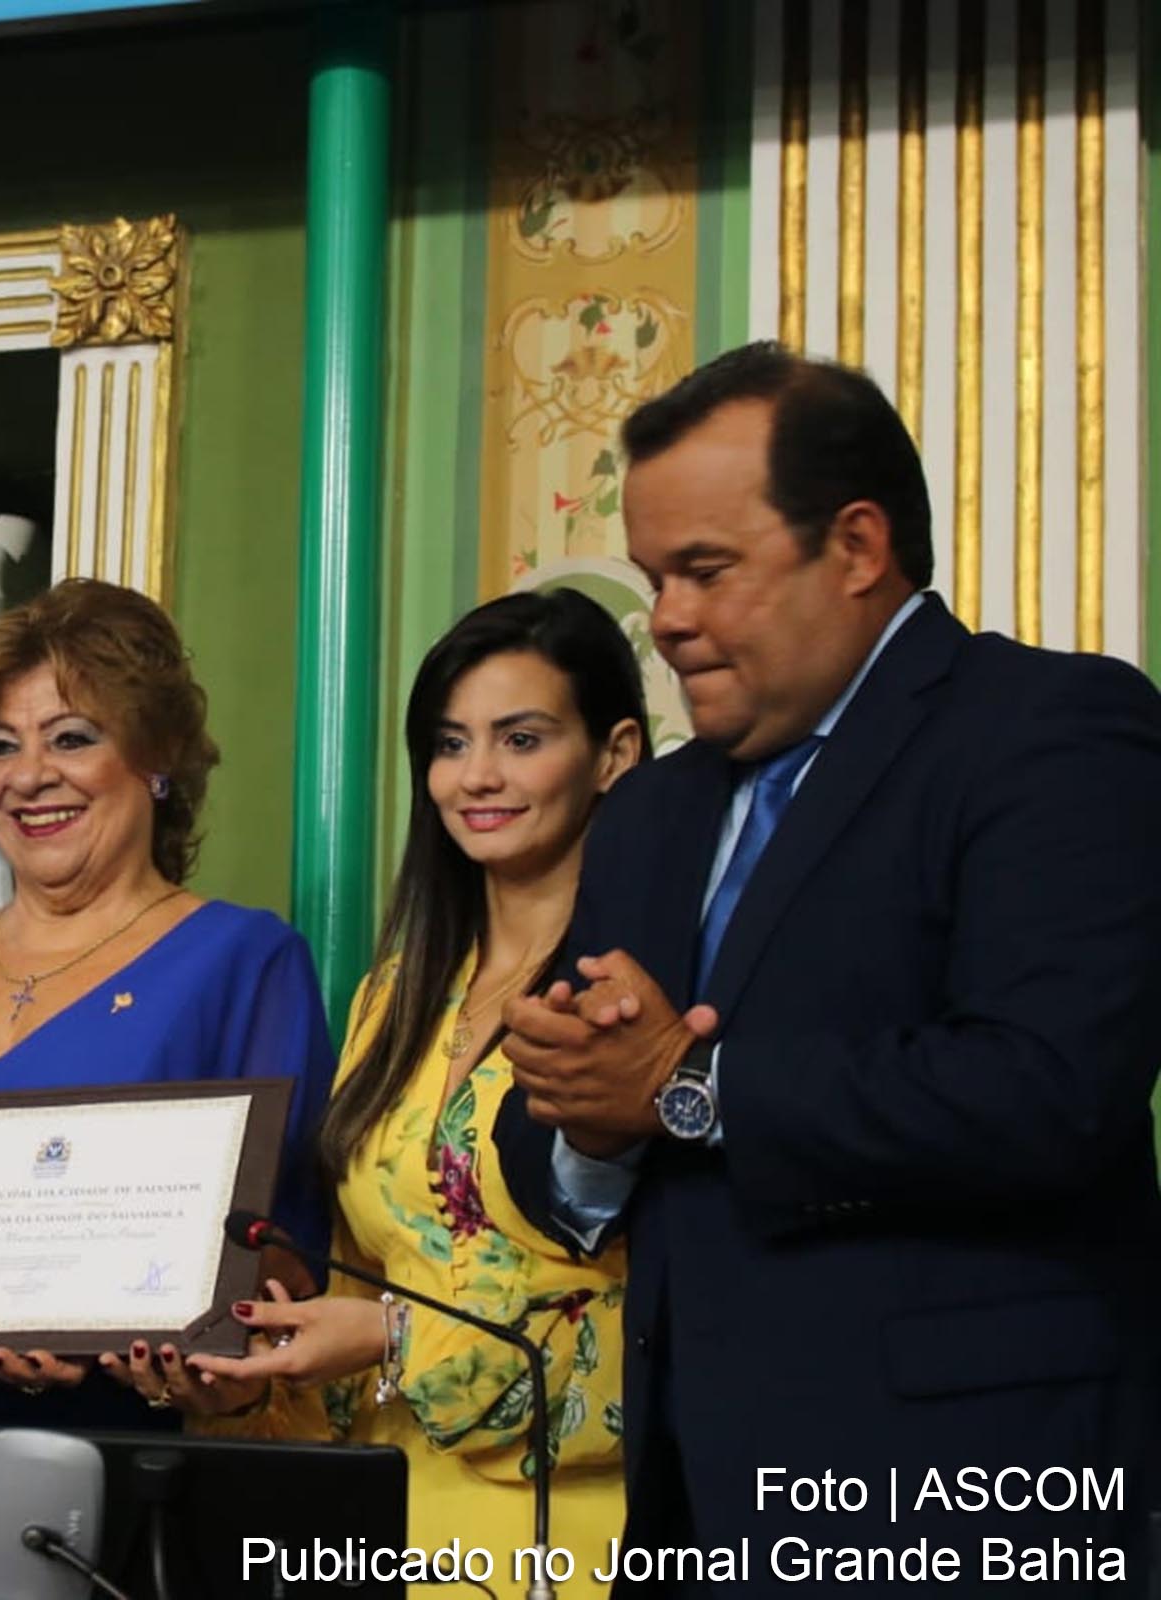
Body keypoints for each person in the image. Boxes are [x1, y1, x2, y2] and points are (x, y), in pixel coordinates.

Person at [493, 343, 1161, 1592]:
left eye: (705, 570)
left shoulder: (1053, 730)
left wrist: (688, 1088)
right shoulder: (650, 812)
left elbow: (1051, 1089)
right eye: (653, 578)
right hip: (697, 1511)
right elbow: (569, 1135)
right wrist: (593, 1116)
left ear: (856, 548)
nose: (667, 619)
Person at [0, 578, 336, 1597]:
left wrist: (156, 1353)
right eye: (0, 745)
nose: (30, 776)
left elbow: (289, 1265)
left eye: (73, 736)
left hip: (118, 1493)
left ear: (159, 756)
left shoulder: (245, 958)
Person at [159, 589, 646, 1597]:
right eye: (450, 742)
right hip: (390, 1536)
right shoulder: (396, 997)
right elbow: (360, 1301)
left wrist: (389, 1334)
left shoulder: (642, 998)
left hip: (588, 1546)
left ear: (616, 752)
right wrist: (245, 1376)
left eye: (522, 737)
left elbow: (672, 1328)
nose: (477, 776)